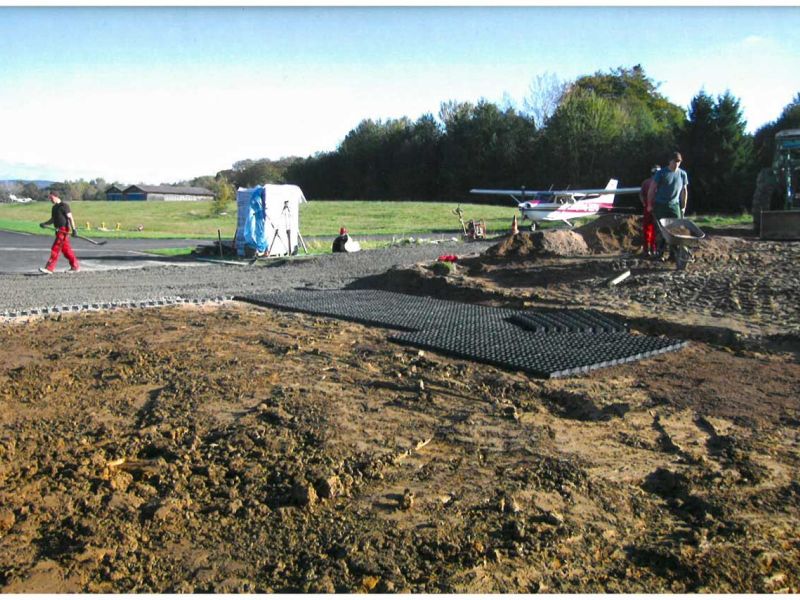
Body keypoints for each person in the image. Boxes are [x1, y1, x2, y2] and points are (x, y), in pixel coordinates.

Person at [648, 151, 689, 260]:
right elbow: (652, 189)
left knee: (675, 231)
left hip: (674, 206)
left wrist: (683, 206)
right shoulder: (661, 173)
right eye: (675, 161)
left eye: (679, 162)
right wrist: (649, 204)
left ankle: (673, 255)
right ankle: (659, 253)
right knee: (661, 230)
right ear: (670, 161)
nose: (677, 164)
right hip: (661, 205)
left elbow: (684, 191)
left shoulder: (682, 174)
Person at [38, 191, 80, 274]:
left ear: (56, 196)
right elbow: (53, 219)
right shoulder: (54, 208)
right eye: (49, 198)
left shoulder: (64, 206)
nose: (50, 200)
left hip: (63, 230)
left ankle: (49, 268)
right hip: (58, 230)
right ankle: (75, 266)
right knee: (66, 250)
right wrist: (45, 224)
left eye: (51, 198)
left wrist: (74, 229)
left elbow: (70, 218)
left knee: (55, 248)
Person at [639, 165, 660, 257]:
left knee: (648, 228)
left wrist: (644, 203)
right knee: (656, 229)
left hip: (649, 207)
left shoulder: (646, 182)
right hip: (656, 207)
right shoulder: (660, 182)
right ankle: (653, 249)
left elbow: (641, 195)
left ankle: (647, 249)